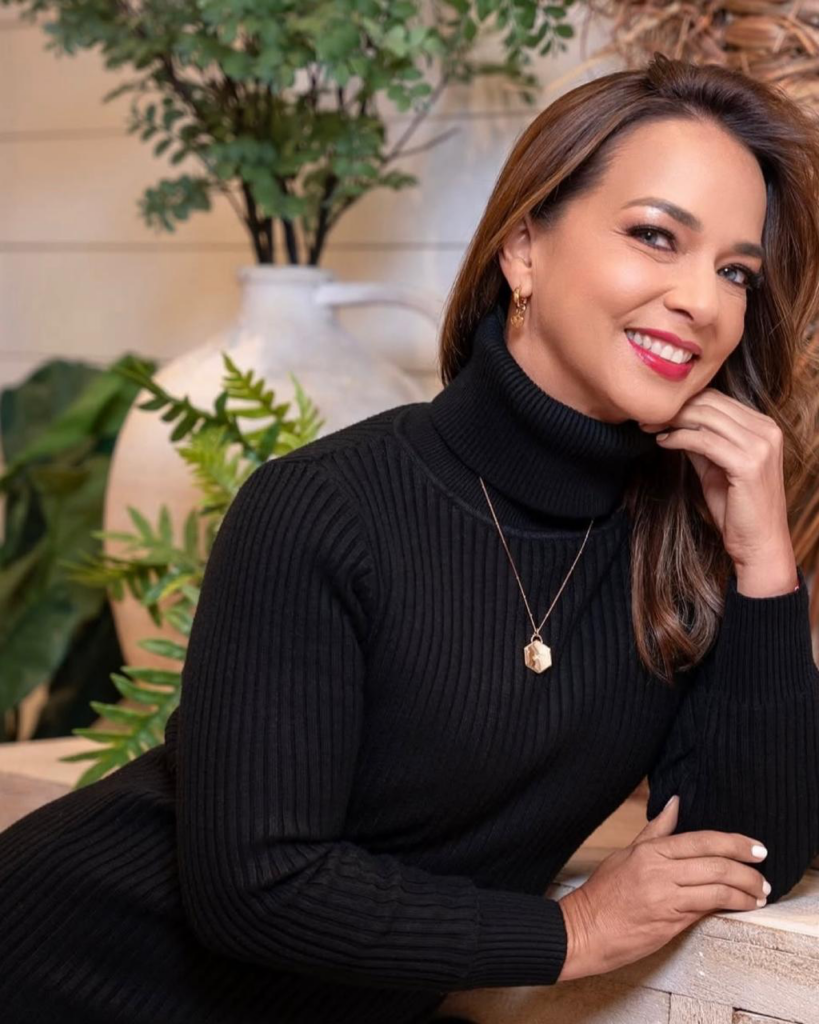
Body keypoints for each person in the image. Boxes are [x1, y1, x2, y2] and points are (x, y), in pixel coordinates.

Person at [1, 51, 819, 1024]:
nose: (704, 301)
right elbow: (255, 885)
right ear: (523, 247)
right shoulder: (322, 507)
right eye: (654, 235)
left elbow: (745, 852)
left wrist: (765, 566)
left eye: (735, 271)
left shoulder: (675, 543)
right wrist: (571, 932)